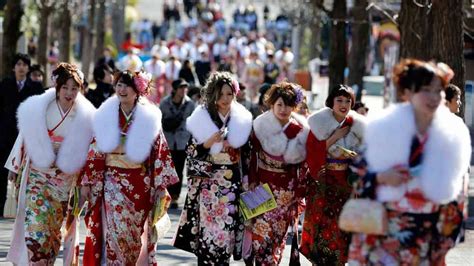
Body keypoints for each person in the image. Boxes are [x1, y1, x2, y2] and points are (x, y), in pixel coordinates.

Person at [348, 59, 471, 265]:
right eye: (426, 89)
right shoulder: (384, 128)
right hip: (384, 229)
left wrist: (445, 240)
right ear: (406, 93)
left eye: (438, 90)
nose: (434, 97)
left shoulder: (452, 133)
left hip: (430, 231)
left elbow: (459, 191)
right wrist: (379, 177)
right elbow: (356, 175)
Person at [80, 70, 179, 265]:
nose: (121, 89)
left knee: (134, 236)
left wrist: (160, 185)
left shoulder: (149, 117)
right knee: (115, 231)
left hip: (140, 183)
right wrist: (88, 180)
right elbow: (95, 149)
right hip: (112, 181)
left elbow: (159, 151)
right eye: (119, 85)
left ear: (137, 90)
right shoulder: (105, 114)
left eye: (127, 85)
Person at [5, 63, 95, 265]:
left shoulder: (85, 115)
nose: (70, 93)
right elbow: (26, 135)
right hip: (38, 174)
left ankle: (47, 261)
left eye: (74, 88)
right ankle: (35, 260)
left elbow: (91, 148)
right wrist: (15, 166)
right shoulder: (41, 106)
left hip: (64, 179)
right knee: (36, 229)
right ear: (57, 87)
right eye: (65, 87)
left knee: (54, 231)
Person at [173, 71, 253, 265]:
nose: (225, 99)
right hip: (208, 184)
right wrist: (208, 143)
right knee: (208, 232)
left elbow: (249, 154)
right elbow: (190, 150)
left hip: (231, 184)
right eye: (221, 93)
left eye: (229, 94)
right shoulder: (202, 117)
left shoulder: (241, 118)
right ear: (213, 94)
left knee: (227, 231)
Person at [300, 84, 366, 265]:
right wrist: (335, 136)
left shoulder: (358, 126)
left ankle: (338, 260)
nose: (343, 104)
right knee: (321, 225)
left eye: (347, 101)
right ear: (331, 102)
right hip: (323, 182)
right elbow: (312, 152)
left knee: (342, 228)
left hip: (346, 184)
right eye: (339, 100)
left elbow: (367, 155)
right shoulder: (318, 123)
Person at [245, 82, 309, 265]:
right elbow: (252, 157)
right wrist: (251, 181)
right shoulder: (260, 125)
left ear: (294, 106)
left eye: (288, 105)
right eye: (279, 104)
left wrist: (300, 189)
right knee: (260, 237)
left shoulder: (301, 130)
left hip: (286, 190)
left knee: (277, 240)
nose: (283, 109)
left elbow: (303, 165)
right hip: (261, 186)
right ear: (271, 104)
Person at [0, 53, 44, 218]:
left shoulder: (36, 87)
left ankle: (25, 211)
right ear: (13, 67)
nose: (21, 67)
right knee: (3, 172)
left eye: (24, 64)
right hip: (4, 137)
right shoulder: (5, 84)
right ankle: (1, 209)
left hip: (26, 137)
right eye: (18, 64)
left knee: (25, 174)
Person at [160, 79, 196, 208]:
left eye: (185, 88)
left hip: (182, 141)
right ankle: (167, 194)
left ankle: (175, 196)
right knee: (168, 169)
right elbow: (159, 121)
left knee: (179, 169)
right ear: (175, 89)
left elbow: (194, 123)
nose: (183, 90)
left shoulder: (190, 104)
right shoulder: (164, 103)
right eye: (181, 88)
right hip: (168, 140)